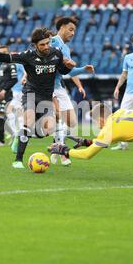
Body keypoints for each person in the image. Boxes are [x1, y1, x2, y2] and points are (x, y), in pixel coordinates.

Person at [0, 27, 75, 168]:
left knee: (48, 130)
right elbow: (6, 58)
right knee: (28, 122)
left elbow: (62, 71)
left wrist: (68, 67)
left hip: (46, 97)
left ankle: (21, 135)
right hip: (30, 93)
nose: (46, 46)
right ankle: (18, 160)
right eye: (42, 45)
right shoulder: (27, 56)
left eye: (47, 43)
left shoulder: (56, 53)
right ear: (35, 45)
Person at [49, 17, 95, 165]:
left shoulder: (66, 48)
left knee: (72, 122)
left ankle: (56, 145)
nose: (73, 33)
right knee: (57, 118)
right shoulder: (52, 41)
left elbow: (69, 70)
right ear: (61, 27)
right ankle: (63, 153)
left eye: (74, 30)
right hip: (46, 86)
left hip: (59, 86)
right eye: (70, 29)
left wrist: (83, 71)